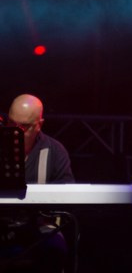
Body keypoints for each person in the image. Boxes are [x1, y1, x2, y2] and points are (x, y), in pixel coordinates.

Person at [1, 94, 73, 273]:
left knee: (55, 248)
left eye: (23, 127)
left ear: (39, 125)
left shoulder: (55, 151)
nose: (16, 131)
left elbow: (67, 196)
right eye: (11, 124)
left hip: (38, 225)